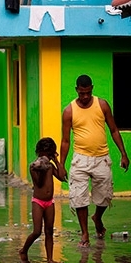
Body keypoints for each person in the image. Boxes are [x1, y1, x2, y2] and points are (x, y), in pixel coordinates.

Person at [59, 74, 129, 248]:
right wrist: (61, 165)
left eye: (88, 93)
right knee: (79, 198)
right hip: (80, 160)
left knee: (105, 196)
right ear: (77, 90)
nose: (85, 97)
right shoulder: (69, 111)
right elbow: (65, 140)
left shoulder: (102, 104)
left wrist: (123, 153)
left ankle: (97, 217)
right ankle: (84, 233)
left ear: (92, 89)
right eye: (82, 93)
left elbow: (113, 130)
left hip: (102, 158)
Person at [19, 137, 66, 263]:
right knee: (37, 231)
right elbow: (38, 184)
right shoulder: (34, 167)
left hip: (49, 202)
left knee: (49, 231)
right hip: (38, 202)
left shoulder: (50, 166)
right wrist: (41, 171)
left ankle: (50, 259)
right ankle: (23, 250)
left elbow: (62, 176)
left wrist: (56, 161)